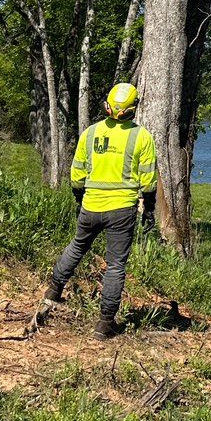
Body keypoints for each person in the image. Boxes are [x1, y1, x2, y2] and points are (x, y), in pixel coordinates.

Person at [42, 82, 157, 340]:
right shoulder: (142, 137)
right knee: (116, 265)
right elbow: (148, 181)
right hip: (122, 210)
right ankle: (104, 325)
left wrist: (79, 198)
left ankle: (53, 291)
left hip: (90, 205)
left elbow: (77, 174)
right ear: (133, 109)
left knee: (77, 246)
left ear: (107, 105)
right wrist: (149, 210)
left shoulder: (91, 133)